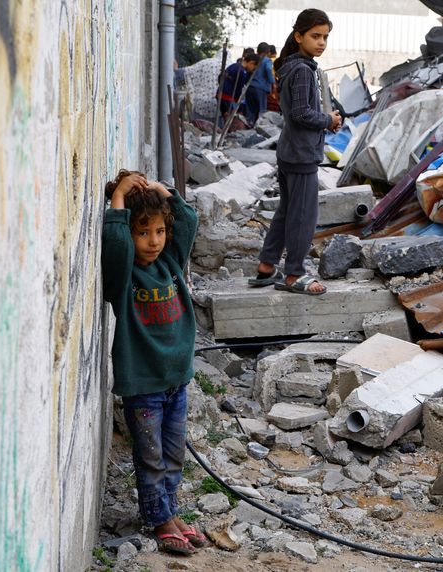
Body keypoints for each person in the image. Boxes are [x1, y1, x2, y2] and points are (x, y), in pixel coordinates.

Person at [101, 170, 207, 556]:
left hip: (176, 379)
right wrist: (120, 200)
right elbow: (114, 244)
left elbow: (189, 221)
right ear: (130, 234)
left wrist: (165, 192)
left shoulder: (170, 264)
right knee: (150, 455)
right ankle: (157, 518)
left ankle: (169, 512)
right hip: (143, 384)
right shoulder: (124, 273)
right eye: (143, 232)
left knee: (173, 452)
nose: (153, 241)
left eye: (160, 231)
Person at [248, 9, 341, 295]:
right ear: (298, 36)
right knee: (303, 216)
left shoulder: (294, 66)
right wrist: (328, 121)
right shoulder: (302, 70)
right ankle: (294, 275)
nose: (321, 42)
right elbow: (301, 114)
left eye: (325, 37)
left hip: (291, 150)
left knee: (287, 211)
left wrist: (332, 117)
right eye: (315, 36)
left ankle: (267, 266)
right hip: (301, 154)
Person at [219, 52, 259, 119]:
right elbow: (239, 89)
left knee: (226, 118)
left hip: (222, 95)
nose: (252, 70)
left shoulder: (234, 66)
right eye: (254, 68)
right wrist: (240, 105)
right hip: (229, 98)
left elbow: (220, 77)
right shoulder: (242, 72)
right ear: (251, 63)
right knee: (230, 119)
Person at [246, 42, 275, 124]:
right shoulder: (266, 60)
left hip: (250, 87)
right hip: (261, 88)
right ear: (267, 52)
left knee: (250, 111)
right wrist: (273, 82)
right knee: (262, 111)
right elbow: (269, 70)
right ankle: (260, 128)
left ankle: (249, 126)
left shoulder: (253, 59)